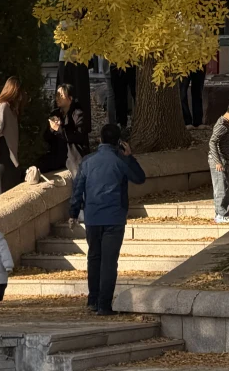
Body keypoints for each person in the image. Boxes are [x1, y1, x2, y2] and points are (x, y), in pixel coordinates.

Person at [68, 123, 146, 315]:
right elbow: (139, 178)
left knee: (94, 258)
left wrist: (73, 212)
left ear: (100, 139)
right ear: (118, 141)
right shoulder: (120, 160)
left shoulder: (87, 161)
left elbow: (78, 188)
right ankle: (104, 304)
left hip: (93, 217)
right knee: (109, 261)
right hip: (114, 216)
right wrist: (130, 157)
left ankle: (92, 299)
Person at [37, 83, 90, 174]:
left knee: (78, 174)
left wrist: (59, 129)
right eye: (57, 95)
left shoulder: (78, 114)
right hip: (58, 153)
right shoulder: (55, 114)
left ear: (70, 98)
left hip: (73, 153)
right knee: (39, 166)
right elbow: (46, 138)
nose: (57, 98)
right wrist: (52, 129)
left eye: (61, 95)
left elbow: (78, 136)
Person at [0, 77, 27, 194]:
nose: (20, 96)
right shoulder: (2, 107)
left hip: (8, 154)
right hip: (0, 152)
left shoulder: (12, 109)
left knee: (8, 186)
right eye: (19, 92)